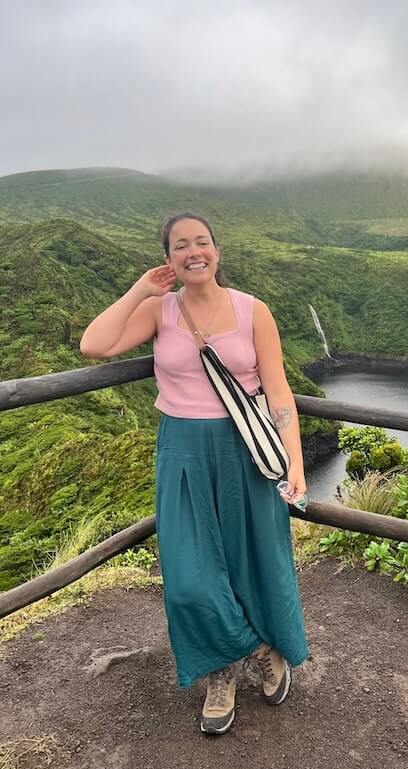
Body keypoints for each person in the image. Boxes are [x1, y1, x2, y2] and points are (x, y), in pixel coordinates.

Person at [80, 213, 309, 735]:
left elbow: (277, 393)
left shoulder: (254, 311)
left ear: (217, 251)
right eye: (180, 246)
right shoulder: (158, 311)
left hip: (246, 450)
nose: (193, 252)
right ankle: (227, 663)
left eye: (201, 242)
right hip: (182, 449)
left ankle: (267, 649)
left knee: (258, 558)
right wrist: (141, 287)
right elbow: (94, 345)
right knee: (190, 576)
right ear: (169, 258)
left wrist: (294, 461)